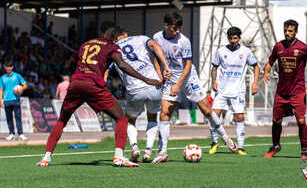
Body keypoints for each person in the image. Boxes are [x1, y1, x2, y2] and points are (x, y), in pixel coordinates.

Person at [36, 26, 162, 167]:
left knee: (62, 120)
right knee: (121, 119)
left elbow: (70, 61)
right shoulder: (111, 46)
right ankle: (119, 156)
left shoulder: (86, 44)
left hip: (76, 83)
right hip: (93, 85)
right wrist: (147, 79)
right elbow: (122, 65)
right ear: (115, 37)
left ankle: (46, 158)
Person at [151, 11, 239, 163]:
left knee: (206, 110)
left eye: (179, 28)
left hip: (188, 76)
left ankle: (225, 137)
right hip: (171, 78)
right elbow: (155, 57)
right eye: (174, 28)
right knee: (165, 113)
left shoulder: (184, 41)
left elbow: (188, 66)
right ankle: (162, 152)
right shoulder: (157, 38)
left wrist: (178, 85)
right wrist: (160, 74)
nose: (177, 31)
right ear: (166, 26)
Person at [105, 26, 171, 163]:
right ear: (125, 34)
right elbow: (155, 45)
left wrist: (102, 84)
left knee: (130, 120)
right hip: (154, 85)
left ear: (115, 38)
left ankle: (135, 148)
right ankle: (148, 152)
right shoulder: (141, 38)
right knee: (152, 117)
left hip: (134, 89)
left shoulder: (112, 49)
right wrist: (165, 65)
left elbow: (105, 70)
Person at [262, 19, 307, 159]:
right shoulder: (278, 46)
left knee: (301, 121)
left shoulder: (303, 48)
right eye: (285, 30)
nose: (287, 33)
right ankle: (276, 145)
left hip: (298, 91)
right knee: (276, 121)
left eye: (290, 31)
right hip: (282, 91)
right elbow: (269, 62)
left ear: (296, 32)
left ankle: (304, 150)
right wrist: (266, 72)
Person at [209, 26, 260, 155]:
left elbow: (256, 67)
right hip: (222, 90)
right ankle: (215, 142)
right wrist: (214, 81)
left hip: (238, 90)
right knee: (214, 116)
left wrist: (255, 83)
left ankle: (241, 146)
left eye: (235, 38)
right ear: (228, 38)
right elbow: (214, 68)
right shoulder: (220, 51)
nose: (233, 41)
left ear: (239, 38)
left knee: (239, 116)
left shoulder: (246, 51)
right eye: (230, 38)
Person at [0, 59, 28, 141]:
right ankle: (11, 134)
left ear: (12, 67)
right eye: (7, 67)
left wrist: (21, 89)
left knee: (18, 117)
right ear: (5, 67)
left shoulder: (17, 76)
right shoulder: (2, 78)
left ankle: (21, 134)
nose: (8, 68)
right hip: (6, 100)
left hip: (16, 99)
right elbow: (1, 90)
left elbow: (25, 85)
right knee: (9, 119)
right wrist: (0, 100)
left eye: (10, 66)